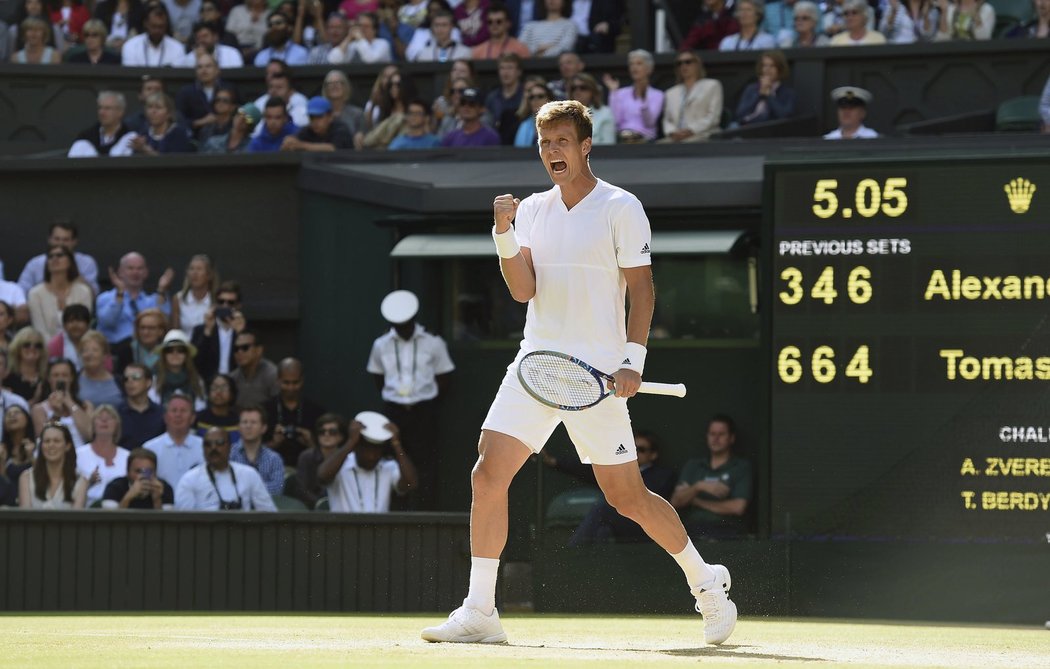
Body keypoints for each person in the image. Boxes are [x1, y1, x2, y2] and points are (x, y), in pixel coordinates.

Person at [419, 99, 737, 646]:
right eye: (545, 144)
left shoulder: (621, 206)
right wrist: (503, 233)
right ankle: (480, 611)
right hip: (536, 364)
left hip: (598, 375)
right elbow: (523, 289)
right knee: (487, 474)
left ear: (585, 145)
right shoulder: (535, 209)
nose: (552, 153)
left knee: (627, 498)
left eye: (562, 142)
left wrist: (632, 361)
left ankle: (706, 583)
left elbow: (642, 287)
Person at [367, 290, 454, 509]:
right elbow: (378, 377)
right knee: (393, 461)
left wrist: (426, 401)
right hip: (394, 411)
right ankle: (397, 511)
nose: (402, 328)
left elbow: (444, 377)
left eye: (405, 324)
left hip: (424, 410)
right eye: (397, 324)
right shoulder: (381, 345)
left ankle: (426, 513)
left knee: (426, 462)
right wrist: (395, 398)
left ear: (413, 319)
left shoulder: (433, 343)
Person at [542, 429, 677, 545]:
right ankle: (588, 568)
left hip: (646, 528)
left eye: (641, 449)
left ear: (653, 455)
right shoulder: (620, 470)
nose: (635, 453)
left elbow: (644, 496)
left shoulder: (663, 475)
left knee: (604, 509)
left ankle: (571, 553)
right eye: (632, 448)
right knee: (602, 532)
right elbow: (587, 470)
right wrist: (554, 462)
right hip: (621, 525)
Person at [671, 414, 753, 538]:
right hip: (692, 530)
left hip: (727, 532)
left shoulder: (741, 466)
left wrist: (695, 500)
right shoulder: (694, 465)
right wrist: (699, 486)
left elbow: (738, 507)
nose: (716, 438)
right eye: (712, 434)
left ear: (731, 438)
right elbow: (676, 501)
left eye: (721, 434)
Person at [317, 415, 418, 512]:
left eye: (377, 452)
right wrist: (351, 441)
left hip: (378, 529)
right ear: (356, 447)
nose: (372, 457)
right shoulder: (340, 464)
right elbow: (322, 476)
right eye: (367, 450)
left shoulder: (388, 466)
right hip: (344, 529)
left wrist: (397, 444)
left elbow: (410, 484)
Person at [174, 426, 276, 511]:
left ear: (230, 446)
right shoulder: (189, 479)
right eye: (208, 444)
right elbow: (184, 521)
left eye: (220, 442)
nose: (213, 448)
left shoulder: (249, 474)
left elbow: (268, 512)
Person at [97, 253, 174, 345]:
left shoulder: (153, 300)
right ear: (120, 272)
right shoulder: (105, 298)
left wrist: (161, 289)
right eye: (130, 268)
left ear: (146, 273)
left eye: (139, 268)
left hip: (146, 352)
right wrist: (120, 295)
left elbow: (164, 324)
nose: (135, 272)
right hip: (114, 351)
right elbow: (108, 323)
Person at [264, 358, 324, 467]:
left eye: (295, 382)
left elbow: (325, 455)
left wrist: (310, 442)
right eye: (286, 383)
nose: (291, 388)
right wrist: (274, 443)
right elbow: (253, 452)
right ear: (278, 380)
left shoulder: (316, 411)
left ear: (302, 380)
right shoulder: (265, 410)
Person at [27, 245, 93, 340]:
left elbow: (85, 326)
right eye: (50, 256)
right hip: (46, 350)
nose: (54, 259)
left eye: (60, 255)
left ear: (70, 261)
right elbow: (40, 331)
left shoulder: (83, 291)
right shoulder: (35, 293)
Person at [17, 220, 99, 296]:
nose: (61, 243)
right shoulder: (35, 263)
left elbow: (93, 295)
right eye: (57, 239)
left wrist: (73, 273)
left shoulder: (87, 262)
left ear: (74, 241)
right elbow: (21, 293)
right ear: (49, 239)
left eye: (66, 240)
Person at [19, 422, 87, 509]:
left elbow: (77, 520)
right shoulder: (26, 478)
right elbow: (25, 518)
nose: (51, 445)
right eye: (47, 441)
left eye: (56, 441)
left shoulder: (80, 481)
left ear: (67, 446)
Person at [143, 393, 203, 489]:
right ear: (165, 417)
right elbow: (145, 481)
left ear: (192, 418)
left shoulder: (204, 446)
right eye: (174, 410)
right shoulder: (149, 448)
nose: (178, 415)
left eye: (183, 411)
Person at [660, 51, 723, 143]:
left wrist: (690, 130)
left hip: (703, 136)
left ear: (697, 64)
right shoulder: (670, 92)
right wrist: (672, 132)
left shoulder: (712, 85)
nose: (683, 66)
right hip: (675, 138)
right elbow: (667, 120)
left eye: (688, 62)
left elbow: (713, 117)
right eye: (679, 63)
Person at [603, 49, 664, 143]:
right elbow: (616, 121)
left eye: (639, 63)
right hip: (622, 139)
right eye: (631, 64)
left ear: (649, 69)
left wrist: (644, 99)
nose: (634, 67)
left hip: (645, 141)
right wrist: (613, 93)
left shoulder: (657, 95)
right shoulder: (620, 93)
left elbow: (649, 123)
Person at [75, 403, 130, 506]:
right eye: (100, 418)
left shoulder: (128, 456)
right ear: (93, 424)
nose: (104, 421)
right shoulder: (78, 454)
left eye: (109, 418)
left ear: (117, 424)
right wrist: (88, 482)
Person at [31, 358, 93, 448]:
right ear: (49, 378)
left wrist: (69, 402)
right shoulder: (39, 409)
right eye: (56, 375)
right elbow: (43, 438)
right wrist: (56, 414)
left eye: (65, 375)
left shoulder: (86, 406)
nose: (60, 379)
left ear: (71, 378)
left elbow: (90, 434)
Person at [190, 280, 244, 380]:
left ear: (238, 305)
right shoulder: (200, 330)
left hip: (237, 384)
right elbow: (195, 362)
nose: (225, 306)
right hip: (209, 384)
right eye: (221, 302)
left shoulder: (245, 332)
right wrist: (207, 332)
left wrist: (240, 333)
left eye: (230, 303)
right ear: (215, 304)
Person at [290, 413, 346, 508]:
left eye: (332, 431)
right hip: (312, 510)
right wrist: (320, 504)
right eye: (322, 431)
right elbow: (301, 489)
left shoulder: (348, 459)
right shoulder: (306, 457)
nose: (326, 434)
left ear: (340, 436)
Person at [230, 404, 284, 496]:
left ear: (263, 428)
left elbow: (277, 489)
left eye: (253, 422)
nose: (248, 426)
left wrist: (245, 489)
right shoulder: (229, 454)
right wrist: (258, 489)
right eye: (244, 422)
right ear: (238, 427)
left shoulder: (274, 459)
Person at [734, 49, 796, 126]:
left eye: (772, 66)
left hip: (770, 132)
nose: (767, 69)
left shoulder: (788, 93)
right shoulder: (751, 88)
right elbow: (740, 114)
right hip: (746, 128)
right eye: (765, 65)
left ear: (780, 69)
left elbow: (784, 116)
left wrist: (768, 95)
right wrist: (759, 94)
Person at [100, 447, 174, 509]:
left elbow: (166, 524)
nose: (143, 476)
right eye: (138, 471)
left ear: (155, 472)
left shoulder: (164, 489)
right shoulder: (114, 487)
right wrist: (128, 497)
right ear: (128, 471)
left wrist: (157, 500)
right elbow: (111, 522)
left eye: (148, 472)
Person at [68, 90, 136, 157]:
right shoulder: (85, 137)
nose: (101, 112)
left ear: (120, 112)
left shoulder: (130, 137)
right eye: (100, 108)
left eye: (107, 108)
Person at [150, 329, 206, 409]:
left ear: (186, 355)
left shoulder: (197, 380)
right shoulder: (154, 379)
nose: (175, 354)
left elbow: (200, 409)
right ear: (164, 355)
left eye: (180, 351)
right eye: (169, 350)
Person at [117, 362, 166, 449]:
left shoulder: (161, 413)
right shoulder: (116, 413)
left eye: (135, 377)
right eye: (126, 379)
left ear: (148, 382)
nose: (130, 381)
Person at [130, 92, 196, 155]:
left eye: (158, 107)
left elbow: (173, 163)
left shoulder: (178, 133)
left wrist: (146, 150)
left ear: (169, 113)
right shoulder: (144, 133)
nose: (153, 111)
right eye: (150, 107)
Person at [281, 96, 354, 152]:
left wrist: (301, 145)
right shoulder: (308, 130)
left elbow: (332, 148)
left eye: (319, 117)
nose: (315, 122)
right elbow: (291, 142)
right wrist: (289, 143)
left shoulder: (340, 128)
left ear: (330, 117)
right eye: (312, 117)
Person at [229, 330, 279, 408]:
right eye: (236, 349)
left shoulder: (272, 375)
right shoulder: (233, 378)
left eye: (245, 347)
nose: (239, 352)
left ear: (259, 350)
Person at [111, 308, 167, 376]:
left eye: (151, 328)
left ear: (161, 331)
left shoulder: (169, 349)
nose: (146, 332)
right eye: (142, 328)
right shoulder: (125, 349)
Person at [484, 52, 524, 145]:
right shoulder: (492, 97)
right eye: (502, 68)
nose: (505, 72)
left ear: (518, 72)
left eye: (510, 67)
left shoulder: (526, 95)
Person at [172, 253, 218, 332]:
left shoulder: (217, 300)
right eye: (191, 269)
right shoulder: (178, 299)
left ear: (209, 275)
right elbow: (175, 331)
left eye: (199, 269)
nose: (194, 273)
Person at [76, 330, 122, 407]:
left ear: (105, 355)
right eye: (85, 350)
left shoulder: (120, 382)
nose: (89, 354)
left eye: (95, 350)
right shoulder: (74, 380)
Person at [3, 327, 47, 405]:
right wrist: (35, 400)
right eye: (27, 345)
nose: (32, 348)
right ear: (18, 348)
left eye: (38, 345)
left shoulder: (47, 377)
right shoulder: (7, 378)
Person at [568, 72, 614, 145]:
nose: (577, 91)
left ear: (592, 91)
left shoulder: (605, 113)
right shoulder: (563, 115)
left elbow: (608, 145)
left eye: (583, 88)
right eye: (574, 88)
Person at [178, 20, 244, 67]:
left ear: (215, 37)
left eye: (205, 36)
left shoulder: (232, 53)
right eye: (198, 38)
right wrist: (198, 61)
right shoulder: (190, 58)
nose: (201, 40)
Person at [195, 373, 240, 441]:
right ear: (209, 393)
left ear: (232, 394)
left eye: (224, 388)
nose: (218, 392)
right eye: (214, 387)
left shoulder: (238, 421)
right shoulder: (198, 419)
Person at [321, 70, 366, 139]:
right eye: (330, 83)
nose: (334, 85)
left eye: (338, 82)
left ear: (345, 87)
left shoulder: (357, 114)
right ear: (325, 88)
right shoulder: (319, 113)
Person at [48, 304, 90, 371]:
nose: (75, 325)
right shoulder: (55, 344)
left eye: (80, 320)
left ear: (88, 324)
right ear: (64, 325)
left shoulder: (97, 341)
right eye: (70, 321)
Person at [2, 404, 35, 485]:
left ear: (27, 419)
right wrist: (2, 463)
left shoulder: (39, 444)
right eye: (8, 414)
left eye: (16, 412)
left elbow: (44, 477)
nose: (12, 416)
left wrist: (31, 456)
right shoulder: (2, 449)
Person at [514, 80, 553, 147]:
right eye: (532, 97)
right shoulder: (524, 125)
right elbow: (519, 151)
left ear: (549, 99)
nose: (535, 99)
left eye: (540, 96)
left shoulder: (559, 123)